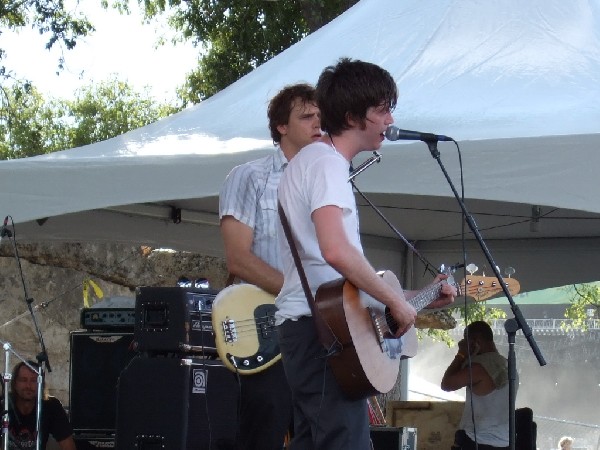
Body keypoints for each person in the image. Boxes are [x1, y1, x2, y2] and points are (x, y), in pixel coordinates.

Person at [275, 58, 456, 450]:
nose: (391, 119)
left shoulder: (313, 162)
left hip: (316, 329)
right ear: (354, 115)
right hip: (321, 334)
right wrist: (394, 299)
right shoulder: (326, 164)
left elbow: (342, 280)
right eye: (383, 109)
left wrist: (416, 298)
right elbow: (335, 250)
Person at [219, 83, 322, 450]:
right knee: (262, 434)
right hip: (268, 329)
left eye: (320, 117)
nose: (317, 123)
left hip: (316, 334)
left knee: (318, 434)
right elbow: (238, 258)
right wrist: (299, 295)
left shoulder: (327, 180)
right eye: (307, 116)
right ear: (281, 125)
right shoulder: (249, 177)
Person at [441, 321, 511, 450]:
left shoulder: (479, 368)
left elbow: (446, 384)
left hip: (477, 439)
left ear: (475, 342)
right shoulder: (509, 366)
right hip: (505, 441)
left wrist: (461, 354)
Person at [5, 360, 76, 450]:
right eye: (23, 380)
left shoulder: (51, 406)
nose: (28, 386)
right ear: (14, 384)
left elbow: (68, 446)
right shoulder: (4, 404)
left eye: (34, 380)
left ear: (41, 384)